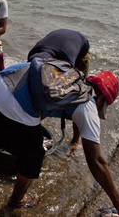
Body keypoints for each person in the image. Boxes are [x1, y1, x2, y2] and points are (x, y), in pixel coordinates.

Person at [0, 30, 119, 216]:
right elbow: (97, 160)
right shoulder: (88, 104)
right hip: (16, 101)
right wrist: (117, 200)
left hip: (2, 83)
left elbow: (40, 96)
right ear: (102, 100)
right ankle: (17, 200)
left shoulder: (69, 74)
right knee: (34, 155)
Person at [26, 28, 92, 156]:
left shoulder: (63, 66)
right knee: (37, 94)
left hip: (80, 50)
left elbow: (59, 94)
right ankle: (33, 122)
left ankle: (75, 142)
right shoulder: (31, 59)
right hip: (61, 43)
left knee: (77, 96)